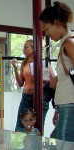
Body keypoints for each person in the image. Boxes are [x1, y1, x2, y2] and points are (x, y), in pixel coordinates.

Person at [39, 1, 74, 142]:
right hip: (65, 105)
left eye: (46, 29)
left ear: (57, 23)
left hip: (69, 105)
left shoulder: (69, 43)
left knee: (63, 145)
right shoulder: (65, 44)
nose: (46, 34)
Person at [11, 39, 55, 132]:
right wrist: (15, 67)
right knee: (20, 124)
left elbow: (53, 80)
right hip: (26, 96)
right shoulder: (24, 63)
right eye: (23, 48)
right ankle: (21, 145)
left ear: (34, 48)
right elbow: (20, 83)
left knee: (38, 126)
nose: (23, 50)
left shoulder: (43, 62)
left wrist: (39, 80)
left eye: (26, 47)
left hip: (40, 96)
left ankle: (36, 145)